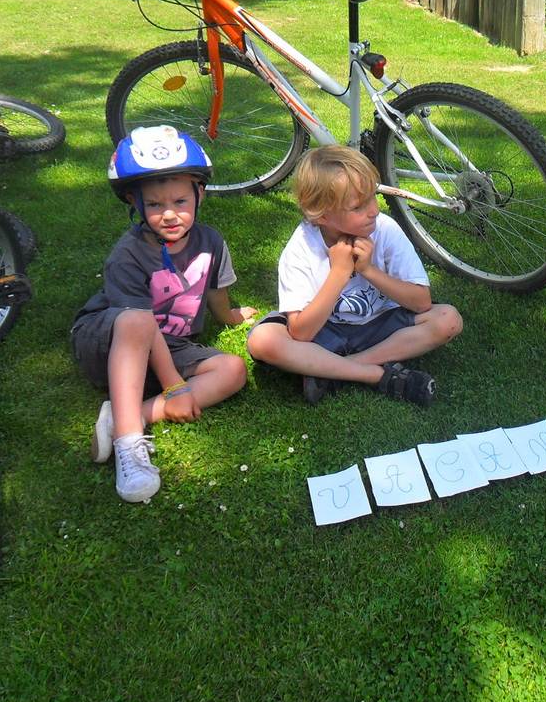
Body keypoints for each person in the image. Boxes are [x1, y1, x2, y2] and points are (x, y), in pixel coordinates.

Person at [71, 126, 257, 503]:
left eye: (180, 201)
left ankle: (127, 415)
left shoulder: (211, 242)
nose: (169, 214)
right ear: (134, 202)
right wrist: (175, 386)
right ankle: (129, 445)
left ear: (200, 193)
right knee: (137, 320)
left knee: (233, 370)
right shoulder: (127, 256)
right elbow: (139, 323)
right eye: (155, 205)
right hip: (110, 344)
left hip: (169, 344)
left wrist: (230, 316)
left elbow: (216, 290)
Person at [246, 145, 462, 406]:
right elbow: (301, 333)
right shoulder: (301, 248)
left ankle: (333, 371)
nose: (374, 210)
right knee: (263, 340)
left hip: (382, 326)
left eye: (373, 197)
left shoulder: (384, 229)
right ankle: (376, 375)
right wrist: (339, 273)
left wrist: (368, 270)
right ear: (321, 214)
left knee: (448, 319)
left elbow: (422, 302)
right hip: (326, 334)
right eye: (358, 206)